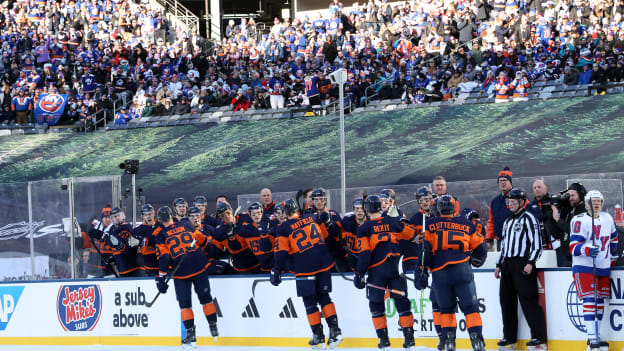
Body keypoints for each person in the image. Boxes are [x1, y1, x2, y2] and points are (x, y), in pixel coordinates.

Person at [417, 195, 487, 351]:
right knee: (471, 308)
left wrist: (421, 272)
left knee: (446, 310)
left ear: (439, 208)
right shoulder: (466, 223)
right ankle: (477, 340)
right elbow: (481, 246)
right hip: (462, 269)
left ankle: (449, 341)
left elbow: (424, 251)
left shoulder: (430, 224)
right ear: (454, 207)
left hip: (440, 272)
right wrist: (477, 258)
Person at [271, 199, 343, 349]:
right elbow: (325, 236)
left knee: (310, 303)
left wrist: (276, 270)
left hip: (304, 266)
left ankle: (318, 335)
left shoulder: (284, 227)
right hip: (323, 263)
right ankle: (335, 330)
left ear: (285, 212)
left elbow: (281, 252)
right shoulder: (312, 217)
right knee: (324, 297)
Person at [354, 195, 416, 351]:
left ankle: (383, 340)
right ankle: (409, 339)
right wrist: (401, 220)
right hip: (396, 266)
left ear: (367, 209)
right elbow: (411, 234)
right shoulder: (392, 221)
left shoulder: (364, 228)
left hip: (377, 269)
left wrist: (359, 273)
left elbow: (365, 254)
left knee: (376, 304)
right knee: (402, 302)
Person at [154, 206, 219, 347]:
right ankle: (213, 325)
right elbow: (202, 240)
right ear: (172, 215)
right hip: (199, 265)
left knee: (184, 305)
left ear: (159, 220)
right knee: (206, 299)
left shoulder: (160, 236)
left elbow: (164, 258)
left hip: (180, 272)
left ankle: (190, 332)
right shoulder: (186, 225)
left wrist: (161, 277)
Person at [494, 189, 546, 350]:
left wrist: (531, 262)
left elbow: (537, 243)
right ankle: (509, 338)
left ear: (522, 202)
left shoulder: (529, 218)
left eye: (514, 202)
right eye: (509, 201)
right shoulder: (508, 221)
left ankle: (539, 337)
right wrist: (499, 264)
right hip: (508, 265)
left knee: (528, 301)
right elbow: (504, 247)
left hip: (523, 263)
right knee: (506, 301)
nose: (510, 204)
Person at [569, 190, 618, 351]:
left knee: (599, 301)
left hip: (602, 266)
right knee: (590, 299)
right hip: (584, 266)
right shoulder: (579, 220)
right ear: (586, 203)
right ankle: (592, 339)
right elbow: (572, 247)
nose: (596, 204)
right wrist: (586, 249)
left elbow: (614, 237)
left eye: (599, 201)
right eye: (593, 201)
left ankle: (598, 337)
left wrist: (613, 254)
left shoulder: (607, 218)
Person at [212, 202, 261, 273]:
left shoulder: (246, 218)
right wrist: (230, 237)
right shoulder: (220, 231)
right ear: (221, 218)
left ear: (232, 210)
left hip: (258, 263)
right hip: (241, 269)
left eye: (228, 213)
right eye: (223, 215)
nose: (227, 216)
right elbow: (218, 251)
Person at [552, 182, 587, 267]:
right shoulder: (569, 210)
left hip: (580, 258)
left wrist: (558, 219)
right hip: (566, 257)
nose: (570, 198)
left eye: (573, 195)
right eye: (568, 196)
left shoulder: (585, 211)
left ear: (581, 195)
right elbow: (557, 234)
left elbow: (574, 230)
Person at [236, 202, 275, 272]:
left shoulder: (272, 225)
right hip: (262, 268)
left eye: (258, 213)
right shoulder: (246, 229)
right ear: (250, 216)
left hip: (277, 267)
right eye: (253, 214)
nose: (256, 216)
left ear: (262, 213)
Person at [106, 207, 144, 277]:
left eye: (119, 215)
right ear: (112, 218)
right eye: (115, 216)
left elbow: (128, 246)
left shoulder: (126, 227)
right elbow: (114, 246)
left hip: (134, 267)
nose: (117, 218)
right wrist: (114, 257)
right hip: (122, 267)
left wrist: (120, 246)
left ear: (123, 215)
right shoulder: (111, 229)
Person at [334, 198, 367, 271]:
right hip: (350, 259)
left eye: (362, 208)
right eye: (357, 208)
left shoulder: (370, 223)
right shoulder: (347, 221)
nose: (359, 211)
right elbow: (335, 229)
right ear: (353, 210)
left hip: (366, 259)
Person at [486, 167, 514, 249]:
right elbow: (491, 221)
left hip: (516, 239)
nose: (502, 183)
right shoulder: (494, 202)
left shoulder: (519, 197)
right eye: (500, 181)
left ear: (510, 182)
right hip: (500, 241)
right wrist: (488, 239)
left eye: (505, 180)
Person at [86, 205, 116, 277]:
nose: (107, 219)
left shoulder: (114, 227)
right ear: (102, 218)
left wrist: (99, 234)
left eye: (109, 217)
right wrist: (102, 235)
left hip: (109, 266)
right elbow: (89, 231)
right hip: (93, 264)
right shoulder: (96, 223)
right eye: (105, 217)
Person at [133, 204, 159, 276]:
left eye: (150, 214)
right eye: (146, 214)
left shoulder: (161, 225)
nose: (148, 216)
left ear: (154, 214)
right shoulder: (137, 231)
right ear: (142, 216)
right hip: (149, 268)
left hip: (164, 266)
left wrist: (145, 240)